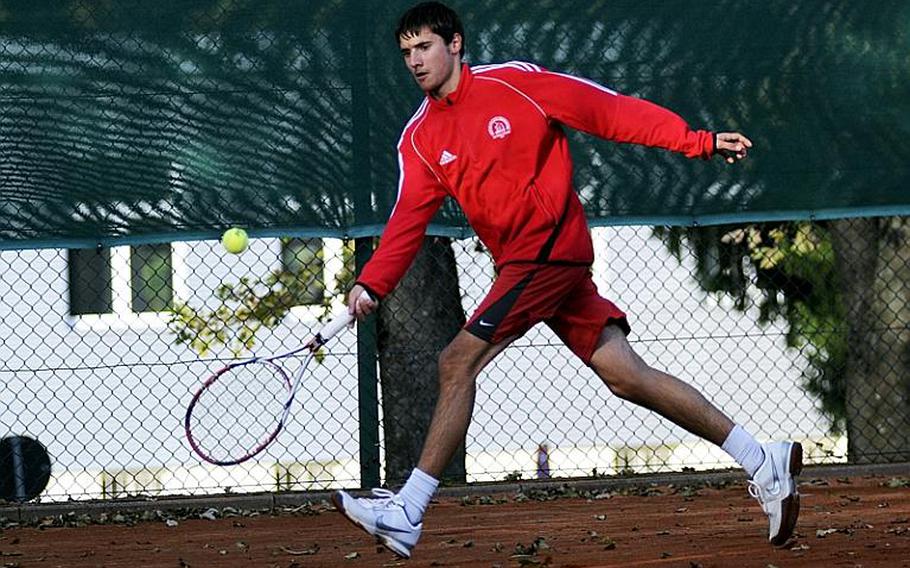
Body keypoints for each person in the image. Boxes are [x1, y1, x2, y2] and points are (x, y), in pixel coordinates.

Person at [332, 1, 801, 558]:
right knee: (627, 375)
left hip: (548, 250)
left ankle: (409, 510)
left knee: (456, 361)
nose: (415, 60)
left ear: (455, 44)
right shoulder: (420, 138)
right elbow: (407, 221)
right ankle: (762, 459)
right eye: (406, 51)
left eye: (424, 46)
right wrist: (372, 284)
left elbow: (608, 111)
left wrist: (694, 140)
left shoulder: (517, 85)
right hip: (525, 266)